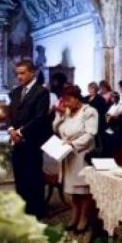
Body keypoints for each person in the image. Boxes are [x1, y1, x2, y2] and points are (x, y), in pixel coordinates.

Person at [7, 60, 50, 218]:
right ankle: (22, 210)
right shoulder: (16, 92)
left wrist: (20, 133)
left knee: (33, 177)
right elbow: (9, 114)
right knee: (20, 177)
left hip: (32, 141)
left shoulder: (41, 92)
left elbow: (40, 119)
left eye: (22, 73)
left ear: (32, 72)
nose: (19, 77)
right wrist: (11, 129)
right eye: (17, 73)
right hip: (16, 142)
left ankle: (36, 212)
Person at [53, 85, 99, 233]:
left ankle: (84, 217)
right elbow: (55, 129)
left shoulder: (89, 111)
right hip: (68, 155)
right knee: (72, 190)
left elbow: (90, 134)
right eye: (64, 100)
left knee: (83, 189)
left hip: (82, 154)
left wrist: (73, 144)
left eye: (68, 100)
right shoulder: (66, 111)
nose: (66, 104)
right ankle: (75, 214)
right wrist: (59, 116)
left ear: (77, 98)